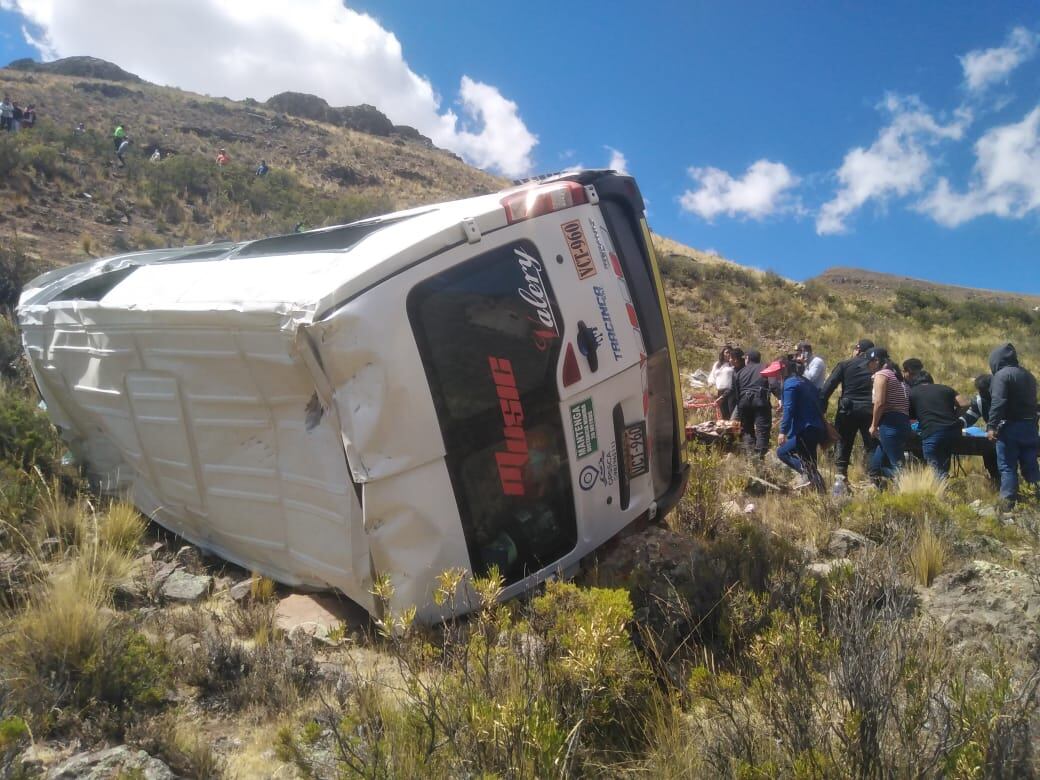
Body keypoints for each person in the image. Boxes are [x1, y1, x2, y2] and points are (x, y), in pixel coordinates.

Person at [986, 343, 1039, 508]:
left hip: (1010, 427)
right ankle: (1036, 499)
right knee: (1030, 465)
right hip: (1030, 427)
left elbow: (998, 402)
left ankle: (1007, 503)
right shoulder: (1029, 375)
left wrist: (991, 426)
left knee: (1007, 466)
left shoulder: (1001, 376)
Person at [763, 356, 826, 491]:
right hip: (815, 426)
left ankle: (813, 479)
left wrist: (783, 431)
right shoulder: (805, 382)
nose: (776, 377)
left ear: (783, 371)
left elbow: (789, 409)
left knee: (782, 452)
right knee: (810, 461)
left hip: (804, 428)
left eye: (777, 373)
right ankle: (819, 490)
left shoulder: (790, 384)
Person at [820, 338, 877, 478]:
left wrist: (821, 409)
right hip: (870, 410)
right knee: (871, 445)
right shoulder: (877, 367)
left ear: (858, 350)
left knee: (843, 442)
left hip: (848, 409)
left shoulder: (845, 365)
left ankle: (841, 475)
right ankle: (874, 477)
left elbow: (827, 388)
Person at [865, 347, 911, 485]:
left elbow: (879, 402)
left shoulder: (882, 375)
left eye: (869, 363)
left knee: (897, 465)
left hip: (890, 423)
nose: (868, 367)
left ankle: (908, 485)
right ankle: (879, 489)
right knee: (875, 467)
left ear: (876, 361)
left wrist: (873, 425)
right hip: (902, 422)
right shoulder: (898, 378)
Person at [909, 373, 967, 479]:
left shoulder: (913, 392)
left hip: (932, 431)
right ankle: (944, 486)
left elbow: (909, 415)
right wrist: (954, 416)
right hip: (954, 431)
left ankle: (941, 488)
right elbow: (965, 403)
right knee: (944, 462)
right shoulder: (946, 389)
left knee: (934, 466)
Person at [961, 375, 1002, 486]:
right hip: (992, 437)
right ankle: (996, 481)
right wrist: (954, 425)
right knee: (988, 452)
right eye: (981, 391)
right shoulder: (980, 401)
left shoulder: (1006, 397)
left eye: (984, 390)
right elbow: (969, 418)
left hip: (1009, 435)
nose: (982, 393)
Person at [730, 348, 771, 458]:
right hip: (760, 400)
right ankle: (759, 457)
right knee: (762, 430)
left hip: (744, 402)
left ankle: (749, 456)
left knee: (747, 430)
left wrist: (740, 408)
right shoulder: (765, 367)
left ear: (747, 358)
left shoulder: (740, 372)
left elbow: (736, 393)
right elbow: (773, 384)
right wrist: (780, 398)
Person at [708, 345, 735, 418]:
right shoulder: (717, 364)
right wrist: (710, 384)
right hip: (719, 391)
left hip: (730, 391)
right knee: (723, 413)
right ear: (722, 353)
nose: (728, 354)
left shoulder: (733, 364)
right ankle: (725, 428)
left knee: (731, 413)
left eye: (730, 352)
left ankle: (733, 428)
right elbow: (712, 376)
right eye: (727, 352)